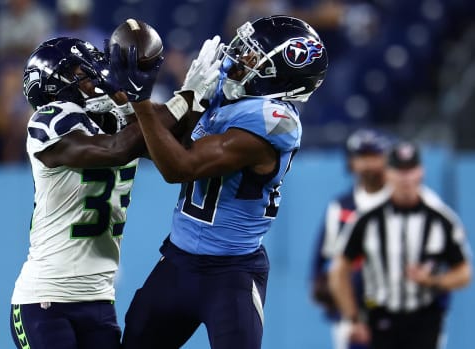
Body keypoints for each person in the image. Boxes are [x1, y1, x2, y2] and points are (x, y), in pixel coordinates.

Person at [108, 16, 328, 348]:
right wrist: (180, 98)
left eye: (252, 56)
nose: (237, 58)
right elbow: (162, 145)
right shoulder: (228, 98)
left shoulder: (274, 121)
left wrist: (143, 103)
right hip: (178, 261)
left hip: (231, 273)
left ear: (279, 73)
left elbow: (178, 166)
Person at [9, 35, 199, 349]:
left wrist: (201, 97)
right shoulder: (48, 122)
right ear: (56, 84)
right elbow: (115, 149)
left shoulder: (109, 119)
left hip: (98, 300)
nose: (96, 80)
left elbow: (176, 145)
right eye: (83, 74)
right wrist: (186, 98)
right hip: (45, 300)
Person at [329, 141, 472, 349]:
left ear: (421, 172)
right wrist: (352, 317)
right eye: (399, 170)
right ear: (388, 173)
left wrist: (433, 280)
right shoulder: (367, 219)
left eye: (410, 170)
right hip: (380, 317)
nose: (406, 178)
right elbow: (339, 270)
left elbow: (464, 272)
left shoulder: (441, 219)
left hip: (425, 319)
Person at [310, 128, 391, 349]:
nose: (368, 164)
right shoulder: (341, 206)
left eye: (373, 156)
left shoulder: (399, 204)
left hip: (396, 311)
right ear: (351, 162)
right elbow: (322, 259)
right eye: (362, 157)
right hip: (351, 313)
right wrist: (325, 290)